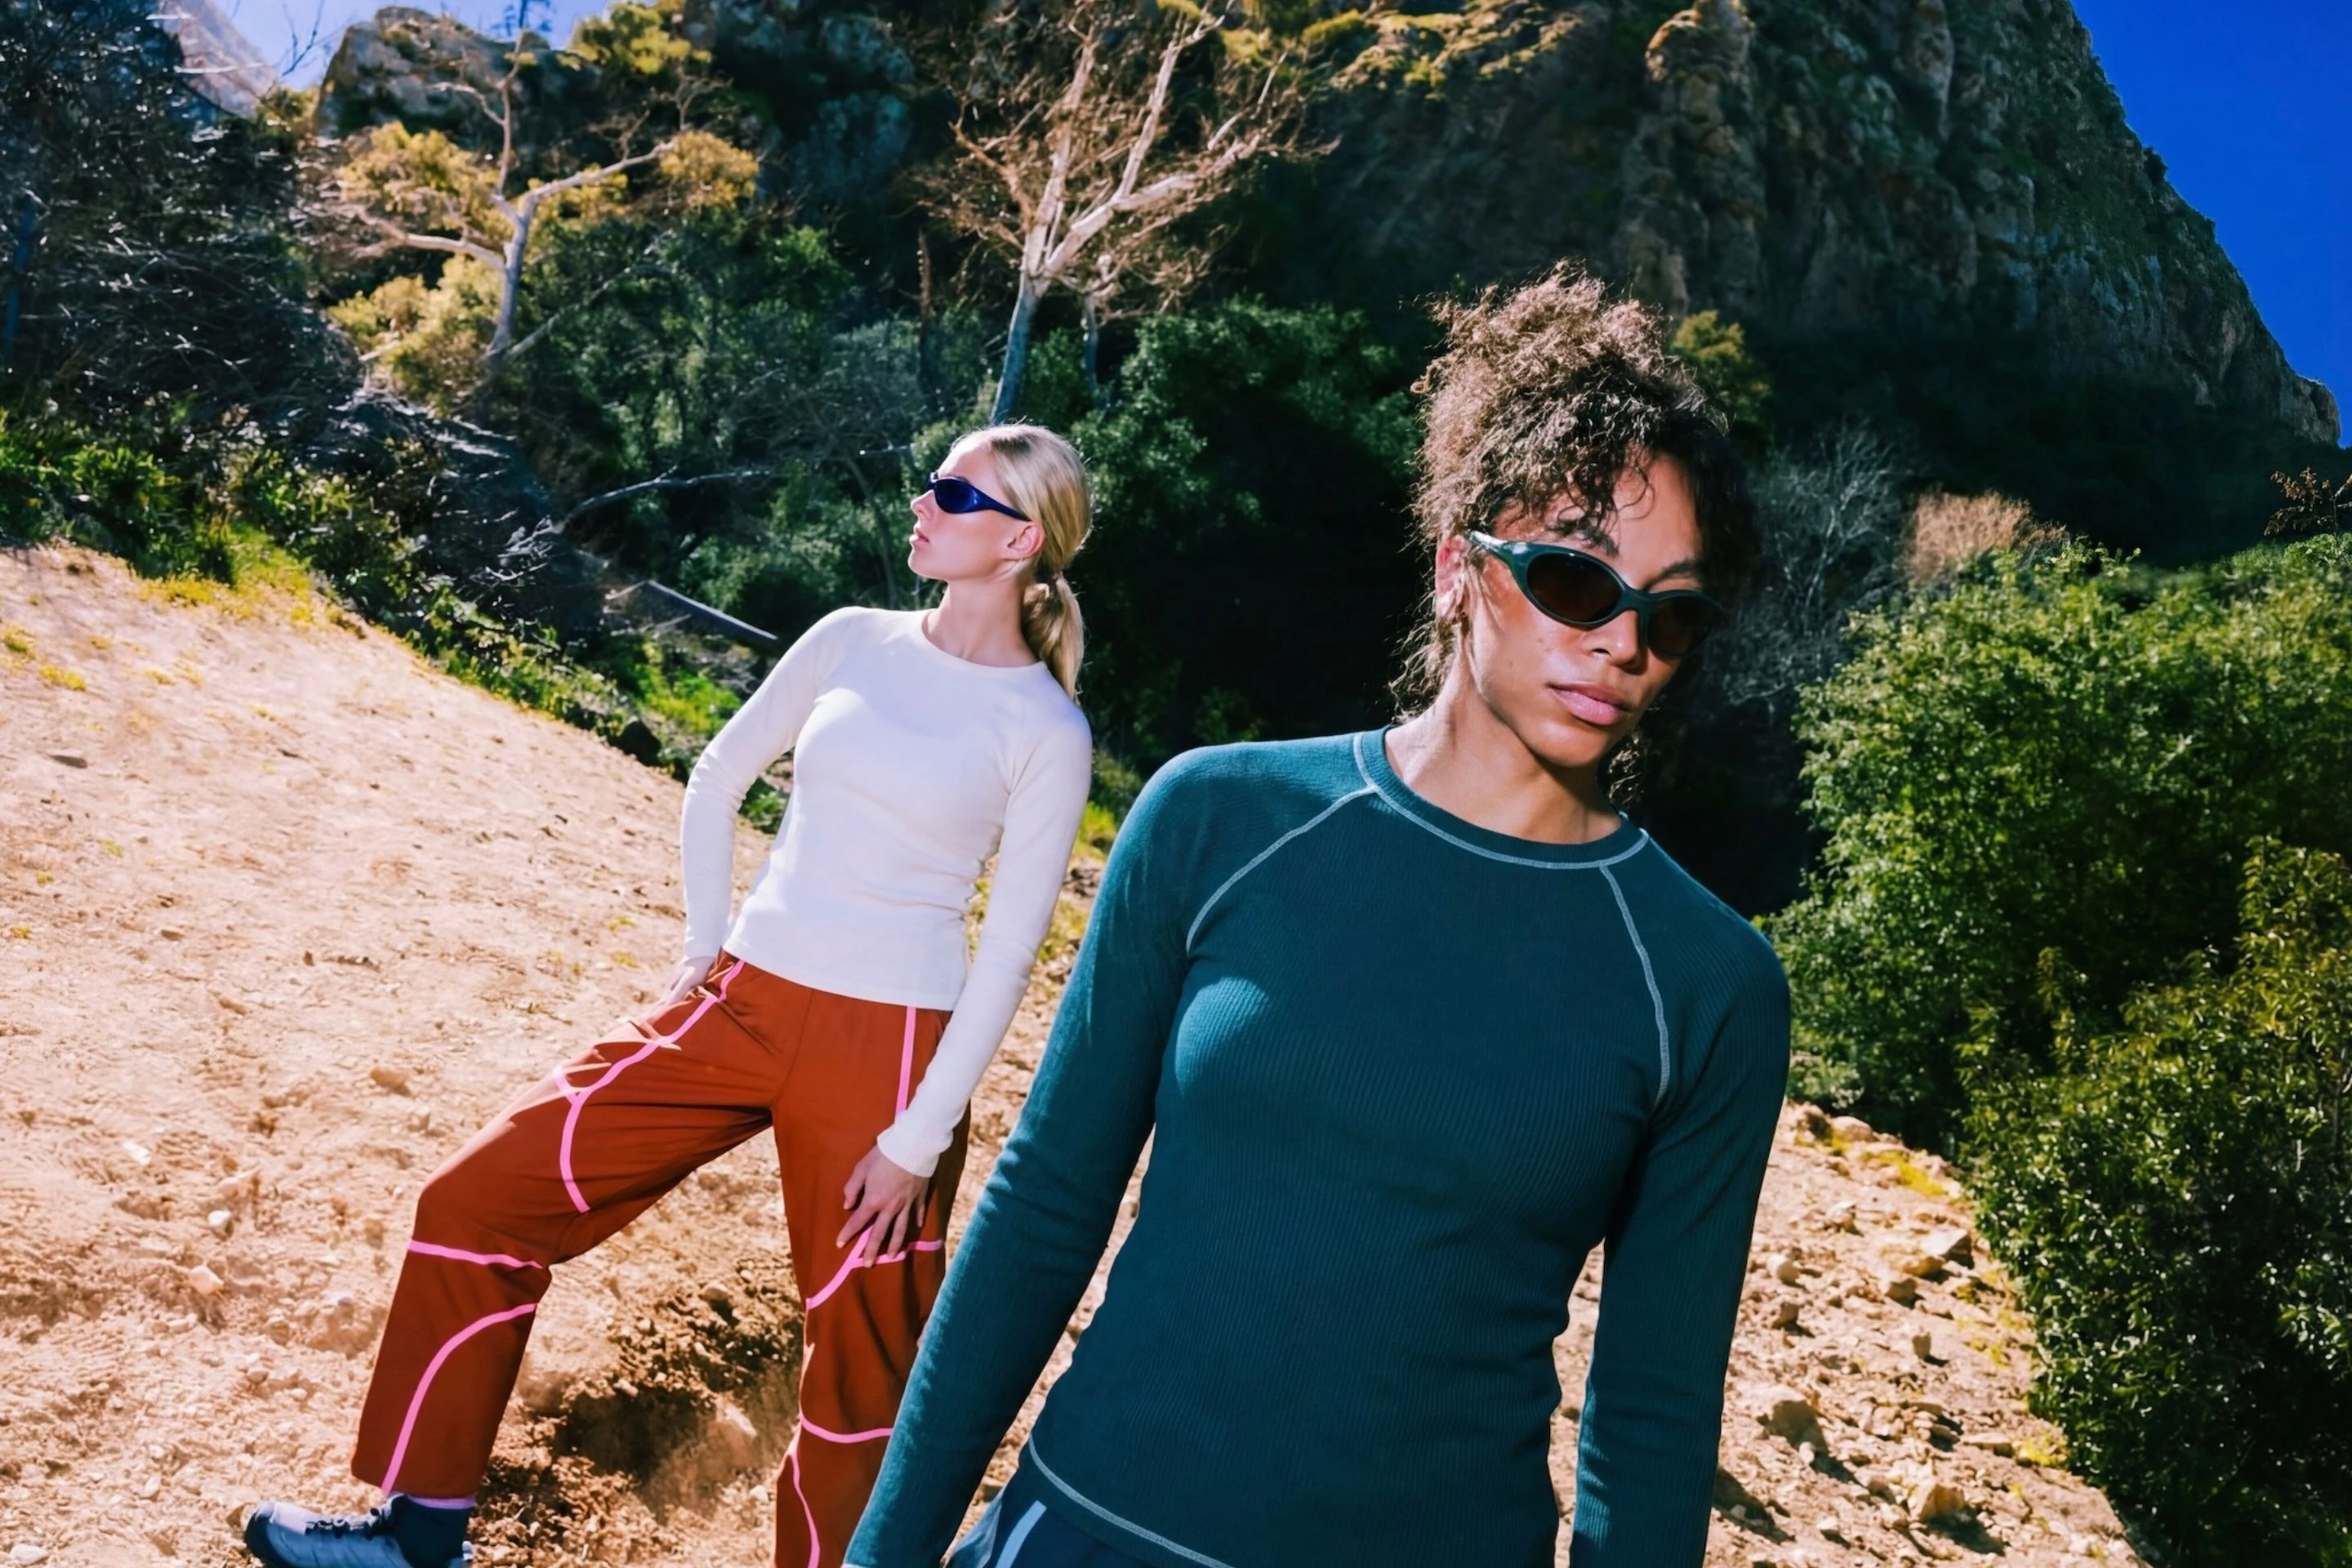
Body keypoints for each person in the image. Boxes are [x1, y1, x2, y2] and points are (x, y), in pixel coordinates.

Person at [845, 268, 1788, 1568]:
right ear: (1461, 566)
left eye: (1669, 614)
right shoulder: (1216, 820)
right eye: (1576, 579)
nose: (1621, 640)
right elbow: (1045, 1211)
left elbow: (1652, 1418)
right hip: (1079, 1534)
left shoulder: (1706, 984)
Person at [243, 425, 1098, 1568]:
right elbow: (718, 778)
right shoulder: (852, 640)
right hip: (740, 1000)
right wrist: (707, 945)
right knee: (477, 1201)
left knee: (860, 1371)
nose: (923, 503)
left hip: (889, 1058)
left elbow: (1007, 957)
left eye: (956, 493)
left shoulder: (1045, 727)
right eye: (931, 481)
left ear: (1021, 540)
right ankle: (414, 1537)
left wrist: (917, 1136)